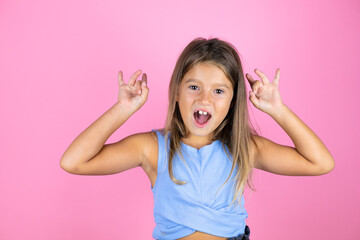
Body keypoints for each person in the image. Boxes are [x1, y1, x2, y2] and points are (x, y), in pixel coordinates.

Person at [60, 38, 335, 240]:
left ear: (233, 100)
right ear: (177, 92)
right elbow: (74, 162)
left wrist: (279, 110)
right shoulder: (151, 148)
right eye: (193, 87)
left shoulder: (245, 148)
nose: (204, 99)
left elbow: (320, 163)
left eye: (219, 91)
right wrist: (122, 109)